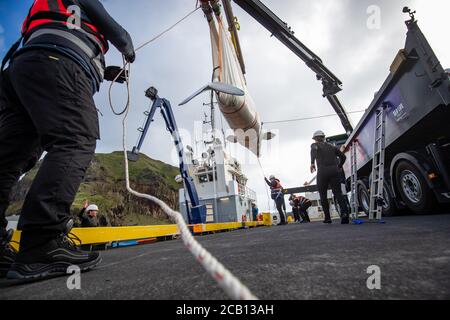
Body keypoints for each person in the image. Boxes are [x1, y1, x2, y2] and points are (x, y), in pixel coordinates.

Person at [0, 0, 135, 280]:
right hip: (57, 63)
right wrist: (125, 42)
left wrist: (102, 70)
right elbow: (107, 28)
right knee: (76, 139)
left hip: (22, 70)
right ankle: (41, 245)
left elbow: (56, 32)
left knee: (9, 159)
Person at [310, 131, 350, 224]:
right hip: (334, 171)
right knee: (338, 193)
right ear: (323, 137)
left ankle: (327, 218)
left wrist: (312, 163)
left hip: (322, 172)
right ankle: (345, 216)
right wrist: (339, 166)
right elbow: (343, 157)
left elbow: (314, 150)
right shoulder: (332, 147)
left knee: (323, 195)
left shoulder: (314, 145)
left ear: (315, 139)